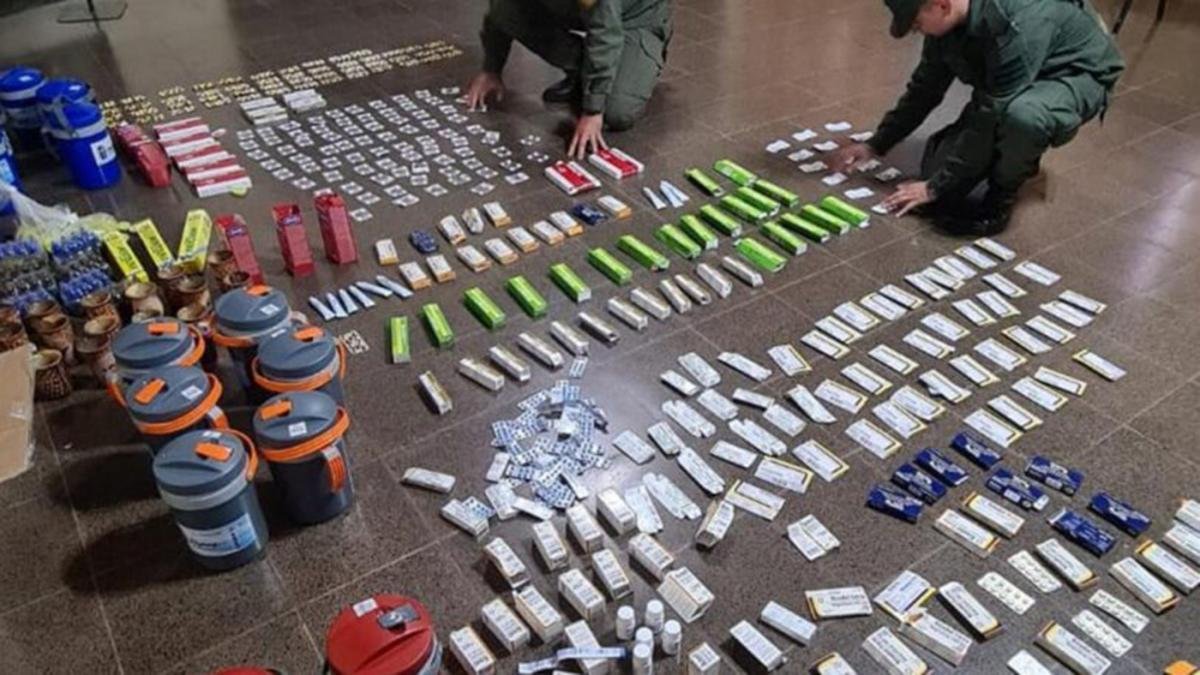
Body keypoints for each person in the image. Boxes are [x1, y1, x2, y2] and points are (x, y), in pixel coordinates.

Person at [832, 0, 1124, 234]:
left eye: (917, 23)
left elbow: (991, 113)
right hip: (1009, 80)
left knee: (1022, 116)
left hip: (1069, 74)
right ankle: (1001, 157)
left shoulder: (1016, 20)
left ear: (942, 5)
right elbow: (924, 89)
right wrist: (876, 144)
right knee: (942, 177)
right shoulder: (946, 23)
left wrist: (935, 187)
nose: (916, 31)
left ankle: (1001, 197)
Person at [464, 0, 671, 159]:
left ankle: (639, 61)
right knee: (512, 13)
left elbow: (605, 34)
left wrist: (593, 110)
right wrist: (491, 68)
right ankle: (588, 73)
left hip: (636, 18)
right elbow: (502, 8)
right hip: (581, 11)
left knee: (617, 112)